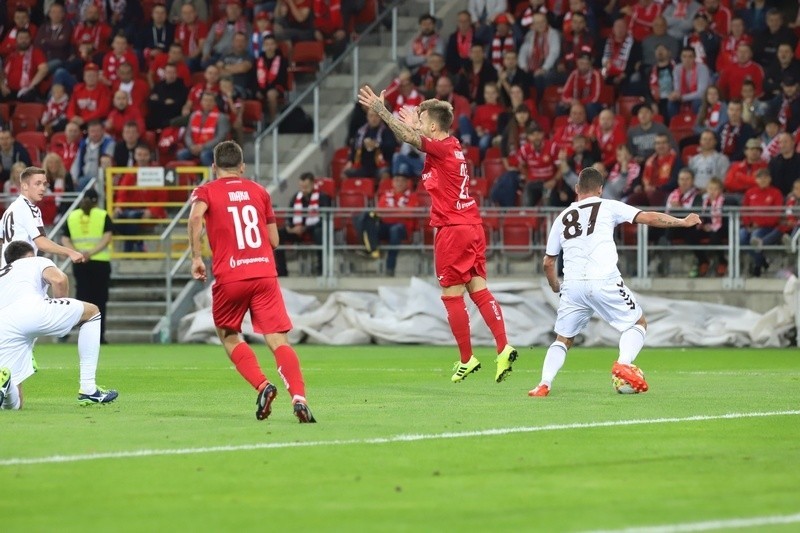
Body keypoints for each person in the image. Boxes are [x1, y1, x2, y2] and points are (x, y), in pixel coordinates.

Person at [358, 84, 518, 384]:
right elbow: (412, 134)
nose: (417, 125)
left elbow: (409, 138)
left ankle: (467, 359)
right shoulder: (454, 146)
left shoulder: (442, 147)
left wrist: (382, 112)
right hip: (472, 226)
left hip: (452, 230)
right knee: (479, 290)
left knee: (451, 296)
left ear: (433, 126)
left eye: (422, 121)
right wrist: (411, 121)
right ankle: (503, 346)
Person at [528, 167, 702, 397]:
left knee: (563, 338)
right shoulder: (608, 206)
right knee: (638, 323)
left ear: (577, 189)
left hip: (573, 285)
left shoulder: (562, 217)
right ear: (600, 189)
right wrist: (682, 222)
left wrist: (555, 287)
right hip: (604, 280)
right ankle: (624, 364)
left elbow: (548, 262)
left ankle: (544, 384)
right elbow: (648, 217)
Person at [188, 140, 316, 423]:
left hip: (231, 276)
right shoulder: (259, 191)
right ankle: (299, 397)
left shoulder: (206, 190)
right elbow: (274, 240)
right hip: (264, 274)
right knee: (278, 340)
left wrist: (196, 257)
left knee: (229, 335)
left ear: (214, 167)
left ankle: (262, 385)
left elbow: (195, 217)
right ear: (242, 167)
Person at [0, 241, 118, 410]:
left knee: (14, 404)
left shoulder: (3, 273)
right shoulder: (36, 261)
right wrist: (61, 308)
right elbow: (60, 280)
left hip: (3, 325)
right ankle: (89, 390)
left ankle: (4, 381)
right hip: (33, 311)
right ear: (29, 254)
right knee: (92, 313)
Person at [0, 166, 85, 268]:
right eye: (38, 183)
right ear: (24, 186)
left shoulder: (11, 208)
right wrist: (70, 252)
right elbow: (41, 243)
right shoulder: (30, 209)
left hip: (6, 271)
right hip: (23, 270)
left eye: (44, 184)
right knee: (59, 279)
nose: (43, 188)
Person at [61, 188, 113, 344]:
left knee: (82, 300)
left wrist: (76, 252)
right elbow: (107, 237)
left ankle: (80, 334)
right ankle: (99, 336)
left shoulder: (73, 216)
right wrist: (90, 252)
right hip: (99, 262)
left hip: (81, 263)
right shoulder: (103, 215)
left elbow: (65, 238)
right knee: (99, 301)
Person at [273, 172, 332, 277]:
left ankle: (322, 271)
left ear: (313, 184)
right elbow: (289, 216)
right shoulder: (296, 197)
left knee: (320, 233)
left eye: (306, 187)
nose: (303, 190)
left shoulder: (323, 197)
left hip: (313, 229)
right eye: (302, 187)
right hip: (297, 230)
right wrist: (289, 228)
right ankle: (282, 271)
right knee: (279, 233)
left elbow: (325, 218)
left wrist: (305, 228)